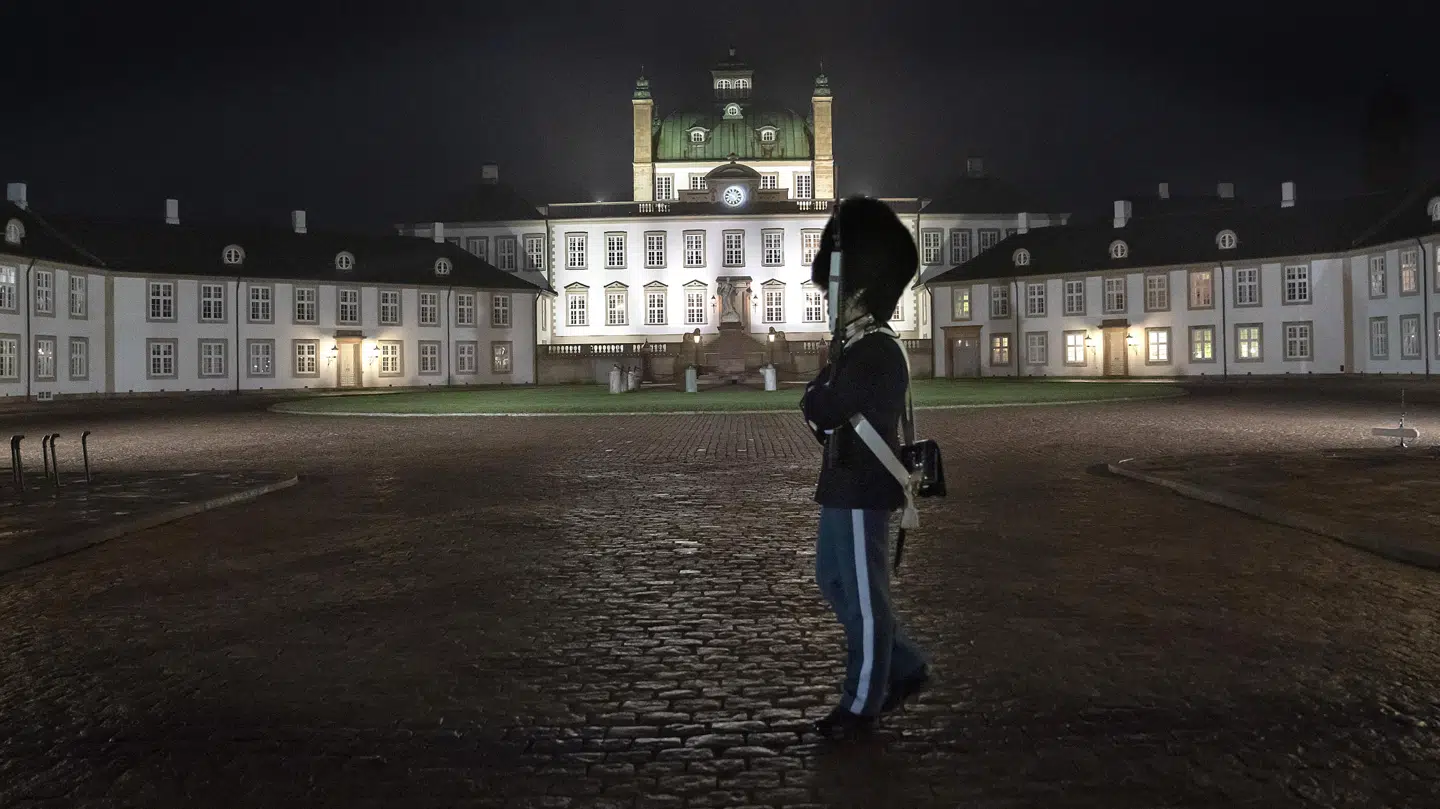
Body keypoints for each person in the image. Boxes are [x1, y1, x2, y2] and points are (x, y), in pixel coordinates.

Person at [800, 196, 931, 738]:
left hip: (863, 484)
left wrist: (819, 393)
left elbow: (822, 406)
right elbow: (820, 407)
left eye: (834, 287)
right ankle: (902, 664)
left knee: (866, 600)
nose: (826, 296)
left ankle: (862, 704)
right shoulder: (855, 346)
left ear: (856, 289)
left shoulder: (874, 348)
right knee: (832, 580)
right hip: (842, 481)